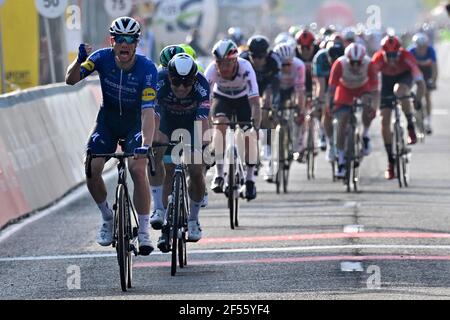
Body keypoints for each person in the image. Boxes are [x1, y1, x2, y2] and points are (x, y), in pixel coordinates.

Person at [65, 17, 158, 255]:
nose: (124, 44)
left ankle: (145, 230)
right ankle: (107, 217)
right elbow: (71, 79)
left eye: (130, 40)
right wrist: (79, 61)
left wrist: (146, 145)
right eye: (119, 39)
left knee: (137, 169)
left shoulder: (147, 69)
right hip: (107, 123)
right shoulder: (101, 58)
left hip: (134, 125)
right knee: (91, 168)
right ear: (112, 41)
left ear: (136, 44)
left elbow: (148, 112)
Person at [149, 53, 211, 250]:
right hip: (167, 122)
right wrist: (156, 139)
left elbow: (203, 123)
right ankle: (162, 215)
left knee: (195, 169)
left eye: (187, 83)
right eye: (177, 82)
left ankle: (193, 220)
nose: (182, 88)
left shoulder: (202, 85)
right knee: (164, 163)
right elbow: (154, 117)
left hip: (193, 123)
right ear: (169, 77)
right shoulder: (159, 80)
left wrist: (200, 148)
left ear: (194, 79)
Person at [206, 39, 261, 200]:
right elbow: (205, 103)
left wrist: (255, 127)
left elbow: (256, 103)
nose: (223, 68)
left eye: (227, 64)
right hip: (221, 98)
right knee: (220, 125)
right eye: (219, 63)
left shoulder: (246, 68)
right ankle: (219, 174)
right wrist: (209, 125)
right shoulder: (211, 71)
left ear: (235, 61)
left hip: (243, 99)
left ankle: (250, 180)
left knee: (249, 136)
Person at [372, 35, 426, 180]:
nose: (391, 59)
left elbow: (420, 83)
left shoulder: (407, 56)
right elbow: (371, 82)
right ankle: (391, 162)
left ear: (399, 52)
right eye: (387, 56)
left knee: (400, 91)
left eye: (394, 55)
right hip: (386, 82)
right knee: (384, 120)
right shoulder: (377, 59)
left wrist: (418, 100)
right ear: (382, 53)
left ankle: (410, 126)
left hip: (403, 78)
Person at [328, 43, 380, 178]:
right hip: (344, 89)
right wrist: (330, 105)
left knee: (367, 105)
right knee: (342, 119)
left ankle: (365, 135)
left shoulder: (370, 64)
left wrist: (374, 107)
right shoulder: (339, 64)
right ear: (347, 59)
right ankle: (340, 159)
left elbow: (375, 91)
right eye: (353, 62)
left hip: (363, 88)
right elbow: (332, 89)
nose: (356, 66)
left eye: (359, 63)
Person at [240, 35, 281, 181]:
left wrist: (270, 105)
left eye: (261, 57)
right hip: (247, 88)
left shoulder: (274, 61)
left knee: (266, 109)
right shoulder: (242, 59)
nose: (257, 60)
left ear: (267, 55)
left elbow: (276, 84)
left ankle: (267, 148)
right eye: (254, 56)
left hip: (266, 86)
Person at [312, 39, 345, 161]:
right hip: (325, 81)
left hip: (342, 81)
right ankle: (330, 142)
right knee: (326, 108)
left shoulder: (345, 59)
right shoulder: (320, 58)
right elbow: (320, 85)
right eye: (332, 59)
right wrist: (321, 101)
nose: (334, 62)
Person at [273, 43, 306, 163]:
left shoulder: (299, 66)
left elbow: (300, 91)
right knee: (271, 114)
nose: (286, 67)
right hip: (278, 90)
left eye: (288, 64)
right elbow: (270, 90)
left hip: (293, 89)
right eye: (283, 64)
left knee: (300, 114)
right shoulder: (273, 65)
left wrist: (300, 111)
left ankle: (299, 144)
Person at [408, 32, 438, 134]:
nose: (421, 49)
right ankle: (415, 111)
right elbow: (407, 68)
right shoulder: (411, 51)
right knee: (414, 95)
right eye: (419, 47)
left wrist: (433, 81)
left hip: (427, 71)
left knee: (427, 95)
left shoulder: (431, 50)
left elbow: (434, 67)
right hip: (415, 71)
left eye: (423, 46)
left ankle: (428, 121)